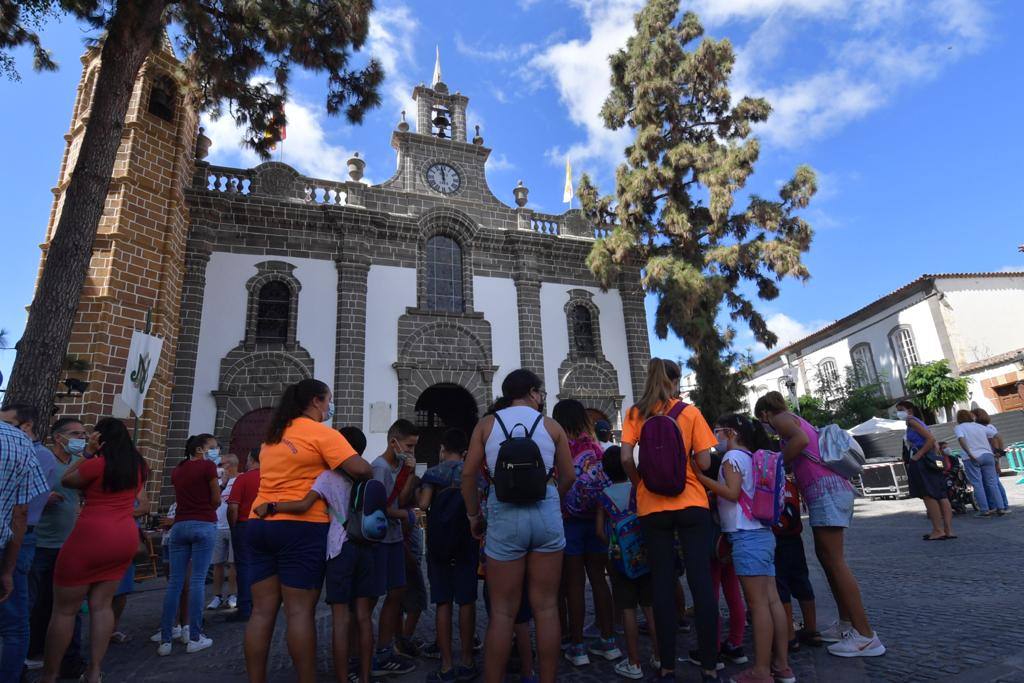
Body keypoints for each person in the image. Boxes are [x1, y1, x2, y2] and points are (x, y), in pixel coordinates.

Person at [244, 379, 369, 683]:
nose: (329, 407)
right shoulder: (323, 434)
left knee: (261, 612)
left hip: (258, 522)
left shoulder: (272, 437)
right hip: (300, 526)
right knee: (299, 613)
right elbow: (362, 469)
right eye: (328, 401)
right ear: (316, 401)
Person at [462, 369, 575, 683]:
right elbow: (569, 476)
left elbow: (469, 475)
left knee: (502, 613)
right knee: (547, 608)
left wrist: (474, 516)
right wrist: (551, 495)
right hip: (546, 514)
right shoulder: (551, 427)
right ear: (534, 392)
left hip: (505, 513)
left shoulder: (487, 425)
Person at [755, 391, 884, 658]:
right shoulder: (794, 419)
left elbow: (800, 441)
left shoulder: (781, 419)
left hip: (826, 490)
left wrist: (777, 462)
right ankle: (847, 625)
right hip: (825, 491)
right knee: (826, 559)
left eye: (762, 419)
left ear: (765, 413)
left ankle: (866, 635)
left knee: (835, 561)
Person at [619, 359, 719, 681]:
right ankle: (708, 662)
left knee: (661, 584)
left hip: (653, 508)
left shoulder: (635, 413)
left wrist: (641, 485)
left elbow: (624, 458)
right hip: (691, 503)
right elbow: (704, 461)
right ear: (673, 381)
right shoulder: (689, 412)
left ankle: (666, 663)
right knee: (700, 582)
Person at [252, 453, 379, 683]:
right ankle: (365, 677)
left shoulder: (328, 477)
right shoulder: (366, 475)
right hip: (366, 546)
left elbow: (304, 504)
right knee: (363, 616)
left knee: (340, 619)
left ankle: (342, 678)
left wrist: (272, 506)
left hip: (340, 547)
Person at [40, 417, 148, 683]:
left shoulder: (97, 464)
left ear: (100, 439)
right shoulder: (140, 466)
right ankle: (94, 671)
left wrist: (87, 453)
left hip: (91, 536)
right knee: (102, 606)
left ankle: (50, 675)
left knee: (64, 610)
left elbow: (65, 480)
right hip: (123, 537)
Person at [696, 414, 794, 683]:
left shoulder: (732, 459)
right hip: (761, 534)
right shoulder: (750, 456)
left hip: (745, 535)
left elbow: (731, 492)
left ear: (730, 432)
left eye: (717, 431)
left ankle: (761, 671)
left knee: (758, 604)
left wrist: (699, 478)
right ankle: (781, 665)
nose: (715, 437)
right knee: (772, 601)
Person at [552, 399, 618, 666]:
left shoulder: (560, 447)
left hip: (569, 521)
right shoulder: (595, 447)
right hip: (597, 520)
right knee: (600, 581)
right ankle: (609, 641)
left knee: (574, 584)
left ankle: (577, 646)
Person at [27, 417, 88, 677]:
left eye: (83, 433)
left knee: (69, 605)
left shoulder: (79, 463)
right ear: (58, 438)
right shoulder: (43, 460)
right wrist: (44, 497)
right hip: (41, 540)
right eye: (75, 433)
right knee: (38, 602)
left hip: (70, 542)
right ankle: (33, 650)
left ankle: (70, 660)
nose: (81, 438)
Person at [418, 429, 479, 682]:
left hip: (439, 544)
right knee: (466, 601)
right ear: (465, 452)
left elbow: (422, 505)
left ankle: (445, 665)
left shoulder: (433, 473)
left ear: (443, 449)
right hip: (467, 540)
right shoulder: (472, 473)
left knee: (442, 602)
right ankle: (466, 660)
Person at [594, 445, 660, 680]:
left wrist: (613, 545)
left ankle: (634, 662)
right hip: (645, 554)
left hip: (619, 559)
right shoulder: (637, 489)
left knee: (628, 609)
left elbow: (599, 531)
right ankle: (659, 656)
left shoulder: (604, 495)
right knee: (651, 607)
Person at [0, 404, 55, 680]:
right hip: (8, 543)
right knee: (14, 624)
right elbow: (21, 512)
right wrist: (8, 569)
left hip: (17, 541)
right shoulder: (19, 444)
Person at [369, 420, 419, 676]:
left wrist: (408, 473)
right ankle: (377, 653)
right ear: (394, 442)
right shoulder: (379, 468)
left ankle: (385, 649)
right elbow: (384, 507)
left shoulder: (398, 466)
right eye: (409, 446)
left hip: (395, 538)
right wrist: (406, 515)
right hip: (382, 540)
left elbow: (402, 496)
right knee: (378, 595)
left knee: (397, 591)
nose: (411, 451)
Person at [773, 471, 819, 652]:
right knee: (801, 581)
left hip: (776, 539)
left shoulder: (765, 481)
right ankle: (812, 630)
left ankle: (789, 637)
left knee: (780, 586)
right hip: (794, 538)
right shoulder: (788, 483)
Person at [894, 401, 956, 538]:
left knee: (928, 494)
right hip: (932, 460)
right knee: (941, 494)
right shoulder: (919, 421)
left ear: (909, 410)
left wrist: (917, 455)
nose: (898, 413)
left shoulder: (911, 421)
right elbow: (933, 441)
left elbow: (930, 439)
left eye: (900, 409)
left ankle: (938, 530)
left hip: (923, 461)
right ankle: (948, 530)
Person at [227, 447, 262, 622]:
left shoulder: (242, 479)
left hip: (245, 524)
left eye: (248, 458)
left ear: (253, 459)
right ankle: (262, 605)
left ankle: (245, 607)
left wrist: (234, 527)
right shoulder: (269, 479)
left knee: (244, 566)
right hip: (265, 525)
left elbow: (233, 507)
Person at [953, 409, 1007, 517]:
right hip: (988, 455)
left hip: (972, 457)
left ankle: (984, 510)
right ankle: (1000, 508)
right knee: (992, 483)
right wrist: (998, 451)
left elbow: (961, 439)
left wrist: (969, 453)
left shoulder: (959, 427)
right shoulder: (980, 426)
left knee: (977, 484)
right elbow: (997, 435)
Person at [208, 452, 238, 610]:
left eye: (221, 464)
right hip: (218, 526)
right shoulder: (218, 482)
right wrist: (223, 483)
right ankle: (217, 596)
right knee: (217, 563)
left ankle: (233, 594)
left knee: (233, 563)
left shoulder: (240, 479)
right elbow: (212, 500)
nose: (218, 467)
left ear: (230, 465)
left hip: (233, 527)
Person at [971, 409, 1010, 512]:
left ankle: (1002, 505)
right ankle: (1000, 505)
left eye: (972, 416)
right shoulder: (989, 426)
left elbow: (995, 441)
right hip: (991, 456)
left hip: (990, 455)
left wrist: (997, 455)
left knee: (994, 482)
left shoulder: (984, 428)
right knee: (994, 482)